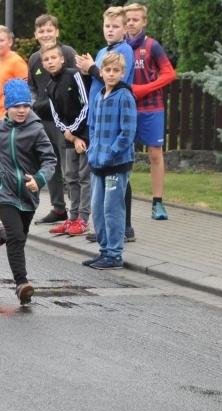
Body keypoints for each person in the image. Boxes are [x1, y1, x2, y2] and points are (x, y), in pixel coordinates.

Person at [0, 79, 57, 305]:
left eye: (25, 105)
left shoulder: (36, 130)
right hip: (3, 192)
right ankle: (21, 284)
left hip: (28, 194)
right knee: (17, 237)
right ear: (7, 107)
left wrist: (39, 180)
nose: (22, 110)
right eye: (16, 106)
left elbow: (50, 160)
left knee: (17, 237)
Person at [76, 6, 137, 244]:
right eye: (107, 26)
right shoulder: (103, 51)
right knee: (100, 183)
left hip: (114, 122)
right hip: (97, 117)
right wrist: (86, 70)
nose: (110, 30)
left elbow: (114, 79)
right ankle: (103, 230)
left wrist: (92, 68)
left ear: (124, 29)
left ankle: (124, 228)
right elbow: (97, 79)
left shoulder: (125, 50)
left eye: (115, 26)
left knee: (118, 178)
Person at [81, 52, 136, 270]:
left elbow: (127, 132)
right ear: (101, 72)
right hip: (97, 163)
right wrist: (93, 151)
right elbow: (93, 127)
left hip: (116, 164)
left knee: (112, 209)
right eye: (107, 70)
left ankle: (115, 254)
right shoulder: (98, 96)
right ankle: (104, 250)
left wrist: (110, 153)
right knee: (97, 208)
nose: (111, 74)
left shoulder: (125, 96)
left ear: (123, 73)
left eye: (116, 71)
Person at [125, 3, 176, 221]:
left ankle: (157, 203)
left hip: (152, 107)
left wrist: (144, 89)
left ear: (144, 21)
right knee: (124, 154)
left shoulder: (152, 45)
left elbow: (170, 74)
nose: (130, 23)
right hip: (126, 107)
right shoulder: (119, 46)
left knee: (155, 154)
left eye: (135, 19)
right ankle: (121, 200)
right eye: (128, 19)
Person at [27, 14, 77, 225]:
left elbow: (78, 83)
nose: (46, 34)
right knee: (50, 164)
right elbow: (32, 86)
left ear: (57, 32)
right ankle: (58, 209)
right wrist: (33, 104)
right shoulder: (34, 59)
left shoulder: (67, 53)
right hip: (44, 120)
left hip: (66, 122)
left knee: (71, 167)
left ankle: (77, 213)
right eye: (41, 31)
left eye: (49, 30)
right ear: (36, 35)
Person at [39, 43, 92, 237]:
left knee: (84, 177)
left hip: (84, 135)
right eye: (46, 59)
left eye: (54, 58)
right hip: (70, 136)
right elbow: (56, 116)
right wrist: (68, 133)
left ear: (62, 59)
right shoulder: (50, 87)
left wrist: (76, 133)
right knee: (70, 177)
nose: (50, 62)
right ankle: (73, 217)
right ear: (43, 64)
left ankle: (83, 219)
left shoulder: (74, 75)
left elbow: (86, 105)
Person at [0, 25, 28, 120]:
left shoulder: (17, 62)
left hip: (12, 117)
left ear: (10, 42)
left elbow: (26, 92)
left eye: (1, 40)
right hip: (1, 115)